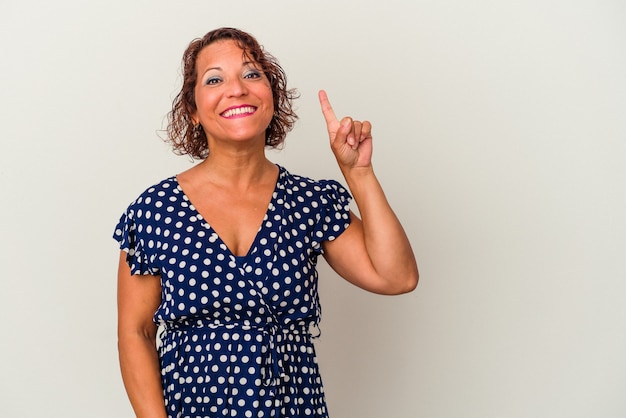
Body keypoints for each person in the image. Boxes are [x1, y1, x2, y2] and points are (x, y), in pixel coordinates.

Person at [113, 27, 418, 418]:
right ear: (192, 109)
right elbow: (135, 333)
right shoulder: (156, 210)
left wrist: (358, 173)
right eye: (215, 79)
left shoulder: (309, 203)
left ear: (271, 97)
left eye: (252, 74)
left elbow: (397, 277)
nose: (237, 89)